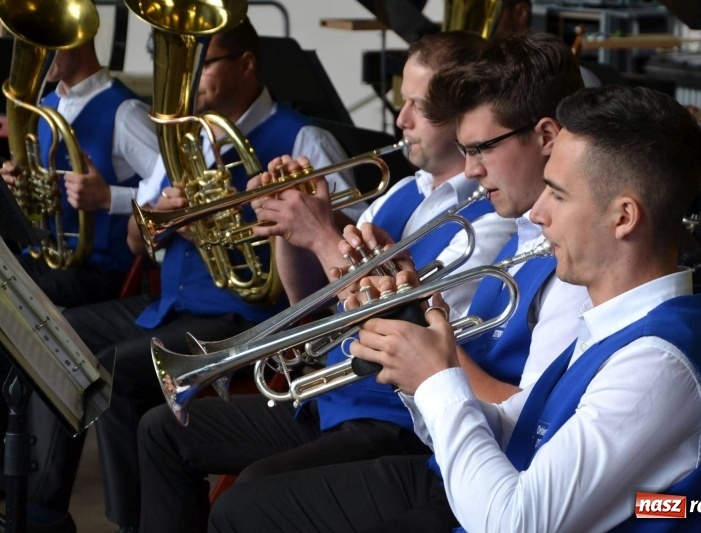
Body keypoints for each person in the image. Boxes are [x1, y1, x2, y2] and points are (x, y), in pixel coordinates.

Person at [206, 85, 701, 533]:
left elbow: (514, 522)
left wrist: (439, 380)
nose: (538, 212)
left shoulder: (657, 365)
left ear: (623, 217)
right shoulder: (622, 323)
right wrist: (417, 359)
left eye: (557, 193)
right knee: (246, 510)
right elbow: (520, 426)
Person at [135, 30, 587, 533]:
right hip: (360, 405)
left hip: (393, 421)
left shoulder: (501, 224)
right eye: (403, 101)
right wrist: (293, 224)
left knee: (248, 500)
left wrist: (331, 243)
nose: (401, 120)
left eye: (420, 106)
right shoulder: (409, 193)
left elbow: (501, 400)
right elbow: (314, 309)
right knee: (162, 433)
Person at [22, 17, 360, 533]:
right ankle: (42, 505)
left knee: (112, 372)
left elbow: (349, 245)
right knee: (54, 337)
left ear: (246, 64)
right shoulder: (187, 144)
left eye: (207, 62)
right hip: (171, 306)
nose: (193, 76)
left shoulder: (306, 139)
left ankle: (133, 523)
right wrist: (159, 215)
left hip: (244, 313)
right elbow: (140, 240)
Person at [1, 38, 163, 308]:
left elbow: (173, 197)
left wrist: (108, 197)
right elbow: (36, 211)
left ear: (78, 36)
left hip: (100, 271)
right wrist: (20, 193)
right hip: (43, 256)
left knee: (12, 302)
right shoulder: (44, 106)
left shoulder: (127, 112)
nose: (39, 52)